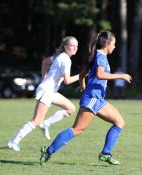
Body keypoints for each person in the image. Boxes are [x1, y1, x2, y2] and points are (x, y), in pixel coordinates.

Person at [40, 31, 132, 165]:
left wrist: (83, 86)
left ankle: (105, 153)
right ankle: (48, 151)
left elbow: (83, 74)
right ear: (106, 44)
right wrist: (120, 76)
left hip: (97, 99)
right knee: (77, 129)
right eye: (113, 44)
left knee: (119, 122)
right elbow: (100, 75)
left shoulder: (98, 56)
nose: (114, 47)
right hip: (93, 98)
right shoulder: (100, 57)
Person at [7, 36, 80, 151]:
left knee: (70, 108)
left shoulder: (59, 56)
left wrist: (44, 77)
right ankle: (13, 141)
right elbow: (67, 81)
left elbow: (45, 62)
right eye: (72, 45)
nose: (75, 48)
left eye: (76, 46)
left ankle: (46, 123)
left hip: (51, 91)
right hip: (46, 91)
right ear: (65, 46)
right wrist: (81, 76)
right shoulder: (65, 59)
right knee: (36, 120)